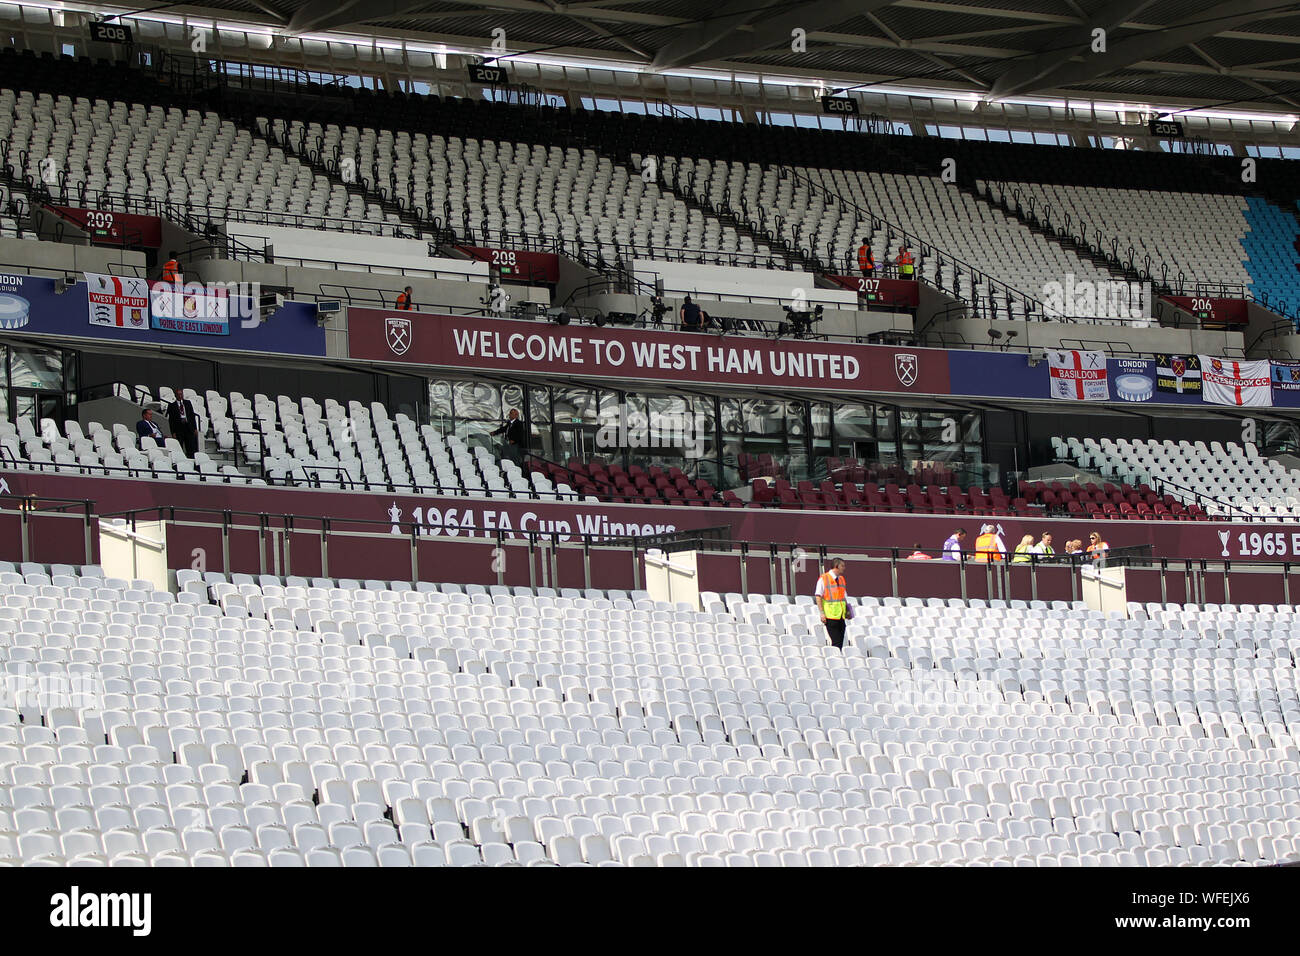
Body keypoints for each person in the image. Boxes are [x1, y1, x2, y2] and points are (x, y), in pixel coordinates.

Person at [815, 557, 853, 650]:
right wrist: (822, 613)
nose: (844, 568)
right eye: (842, 566)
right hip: (830, 616)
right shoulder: (824, 578)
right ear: (836, 566)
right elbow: (818, 596)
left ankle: (837, 658)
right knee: (836, 642)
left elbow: (844, 597)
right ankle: (836, 660)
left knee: (839, 642)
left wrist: (848, 611)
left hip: (840, 616)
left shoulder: (841, 579)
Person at [166, 386, 199, 458]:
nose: (180, 396)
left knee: (190, 446)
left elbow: (192, 416)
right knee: (179, 445)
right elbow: (171, 421)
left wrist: (195, 428)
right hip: (179, 428)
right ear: (175, 395)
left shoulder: (187, 403)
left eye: (181, 394)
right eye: (178, 394)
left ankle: (191, 459)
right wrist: (173, 432)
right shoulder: (172, 405)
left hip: (188, 427)